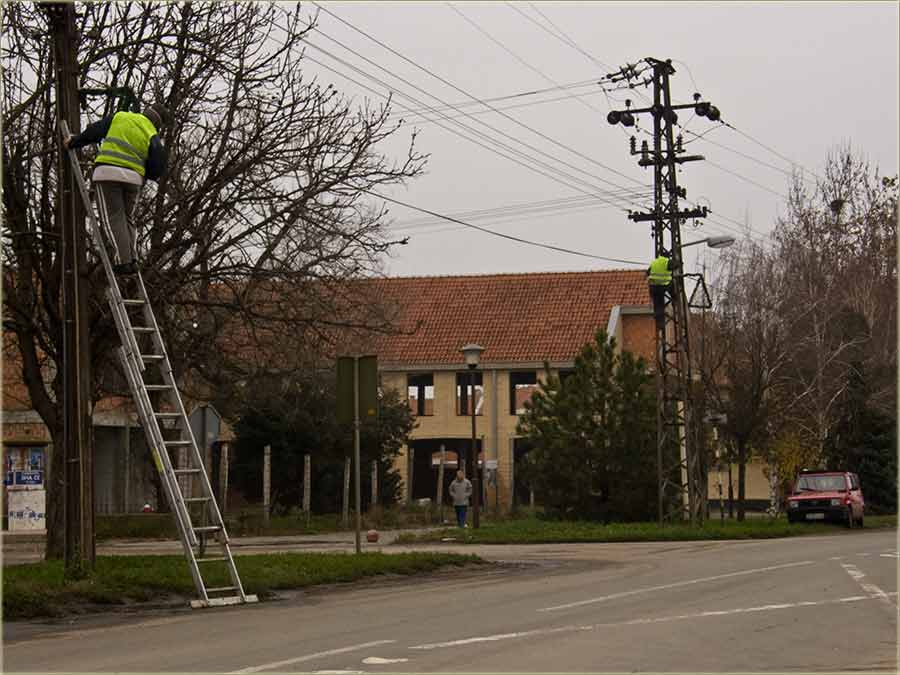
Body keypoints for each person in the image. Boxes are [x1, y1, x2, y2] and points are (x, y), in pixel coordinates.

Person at [64, 102, 171, 275]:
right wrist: (145, 173)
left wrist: (73, 142)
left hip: (108, 174)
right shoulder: (152, 134)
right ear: (158, 124)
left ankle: (122, 262)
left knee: (112, 218)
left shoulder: (121, 117)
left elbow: (95, 131)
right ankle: (132, 259)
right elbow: (158, 166)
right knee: (127, 218)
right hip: (134, 180)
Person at [647, 251, 678, 331]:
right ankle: (675, 299)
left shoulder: (654, 262)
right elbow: (675, 266)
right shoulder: (667, 262)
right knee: (672, 284)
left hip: (653, 287)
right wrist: (677, 262)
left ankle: (659, 323)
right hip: (663, 286)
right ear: (668, 257)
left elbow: (648, 272)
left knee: (658, 305)